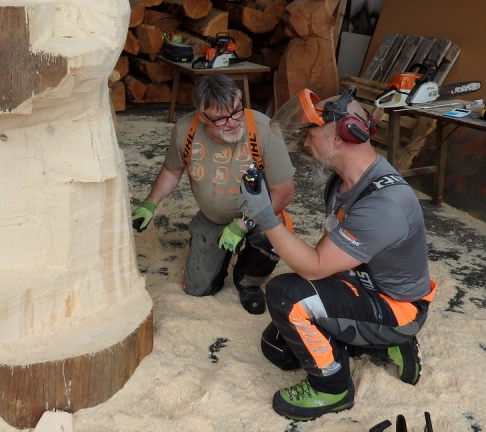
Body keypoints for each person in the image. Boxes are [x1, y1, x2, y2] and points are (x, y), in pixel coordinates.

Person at [239, 86, 436, 422]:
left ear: (341, 135)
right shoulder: (344, 183)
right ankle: (370, 341)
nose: (305, 143)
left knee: (285, 295)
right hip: (363, 284)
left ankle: (333, 388)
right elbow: (326, 253)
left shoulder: (383, 204)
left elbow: (314, 268)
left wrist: (265, 216)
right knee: (278, 349)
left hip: (397, 307)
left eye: (310, 134)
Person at [132, 74, 295, 314]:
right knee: (198, 289)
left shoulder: (264, 130)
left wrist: (243, 224)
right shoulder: (185, 130)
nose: (232, 122)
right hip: (213, 218)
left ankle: (248, 281)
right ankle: (210, 248)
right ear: (201, 117)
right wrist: (150, 204)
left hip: (259, 214)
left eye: (236, 111)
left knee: (269, 239)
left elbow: (284, 192)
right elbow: (172, 170)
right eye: (220, 118)